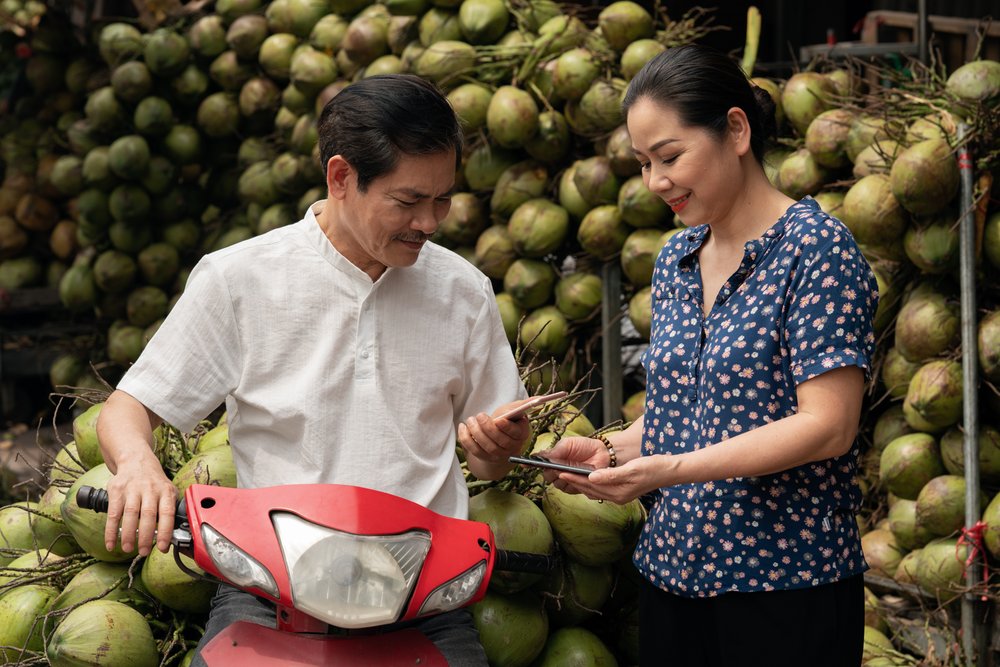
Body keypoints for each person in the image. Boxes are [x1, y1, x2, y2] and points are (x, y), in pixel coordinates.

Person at [95, 74, 532, 666]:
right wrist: (139, 465)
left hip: (425, 595)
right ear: (341, 178)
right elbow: (130, 406)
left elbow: (489, 460)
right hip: (269, 592)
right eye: (408, 202)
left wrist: (500, 443)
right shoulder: (240, 280)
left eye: (443, 199)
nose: (429, 223)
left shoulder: (464, 292)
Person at [542, 45, 878, 666]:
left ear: (736, 129)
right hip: (672, 576)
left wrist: (671, 471)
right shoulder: (676, 259)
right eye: (644, 163)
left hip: (785, 587)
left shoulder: (817, 249)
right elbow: (685, 417)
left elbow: (829, 426)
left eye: (671, 157)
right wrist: (612, 452)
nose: (655, 182)